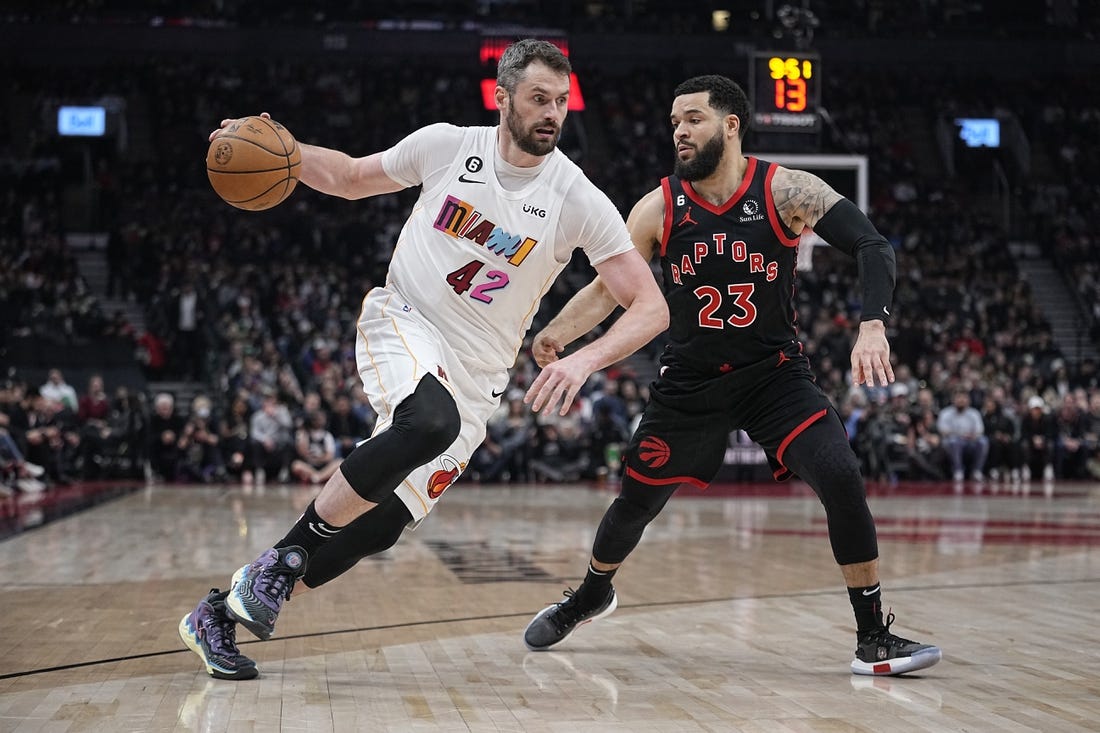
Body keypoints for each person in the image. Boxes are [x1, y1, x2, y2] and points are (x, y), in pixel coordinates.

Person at [178, 39, 668, 681]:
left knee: (379, 526)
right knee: (426, 421)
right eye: (538, 99)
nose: (552, 113)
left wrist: (583, 361)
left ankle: (220, 611)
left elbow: (651, 308)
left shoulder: (576, 197)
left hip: (479, 377)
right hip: (405, 321)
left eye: (560, 102)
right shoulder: (448, 146)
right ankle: (270, 572)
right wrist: (286, 153)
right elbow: (352, 178)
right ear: (502, 97)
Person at [521, 74, 941, 677]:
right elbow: (609, 288)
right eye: (674, 123)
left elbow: (874, 246)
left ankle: (872, 637)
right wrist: (558, 332)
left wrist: (872, 323)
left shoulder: (787, 189)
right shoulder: (661, 205)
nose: (680, 132)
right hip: (689, 383)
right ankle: (591, 594)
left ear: (731, 125)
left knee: (842, 475)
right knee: (634, 506)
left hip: (773, 376)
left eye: (692, 119)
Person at [936, 388, 989, 482]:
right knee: (954, 441)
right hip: (952, 444)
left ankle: (977, 471)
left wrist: (972, 436)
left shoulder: (974, 413)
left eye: (964, 398)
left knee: (983, 441)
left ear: (968, 400)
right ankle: (958, 471)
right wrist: (960, 435)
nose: (961, 400)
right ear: (953, 399)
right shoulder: (945, 413)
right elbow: (943, 431)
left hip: (970, 442)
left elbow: (980, 431)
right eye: (958, 398)